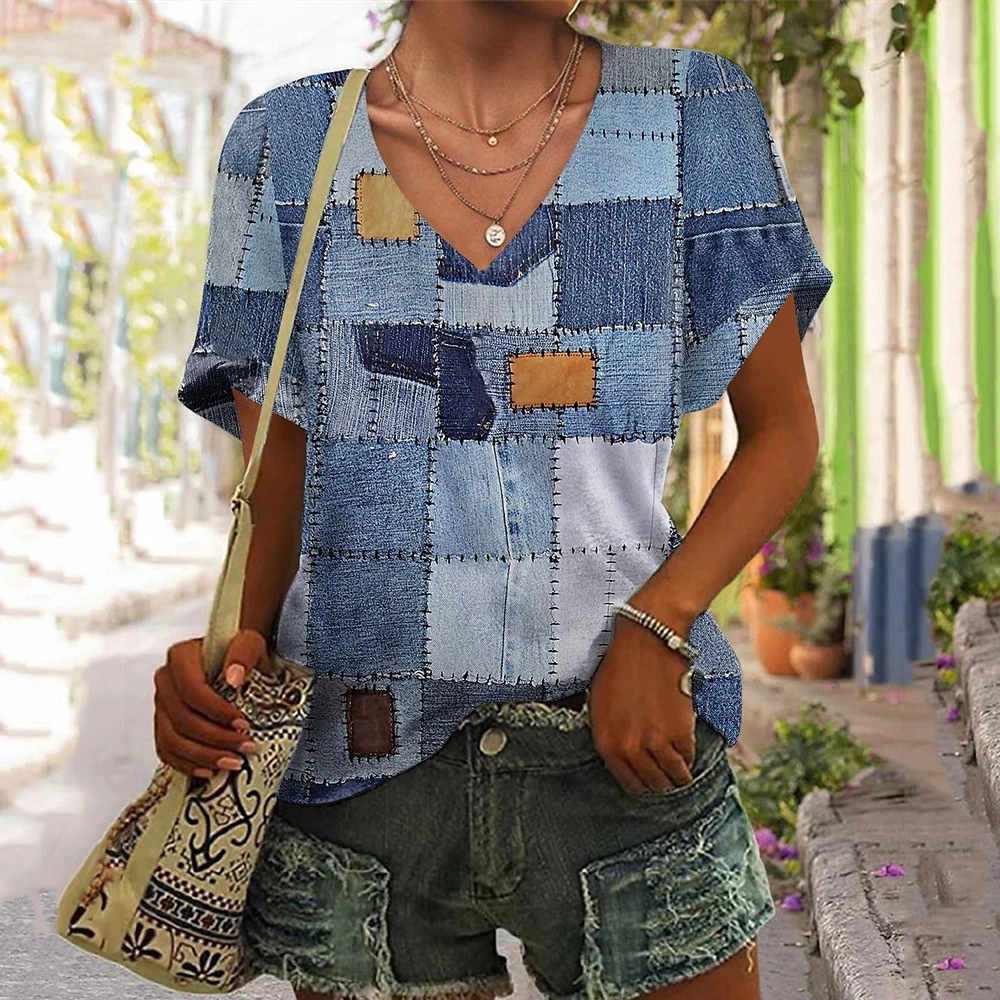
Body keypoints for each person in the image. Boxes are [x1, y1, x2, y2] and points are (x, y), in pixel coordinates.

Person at [160, 2, 833, 998]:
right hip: (363, 776)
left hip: (626, 748)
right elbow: (278, 477)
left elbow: (781, 433)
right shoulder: (286, 144)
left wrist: (661, 621)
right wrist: (223, 663)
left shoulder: (693, 114)